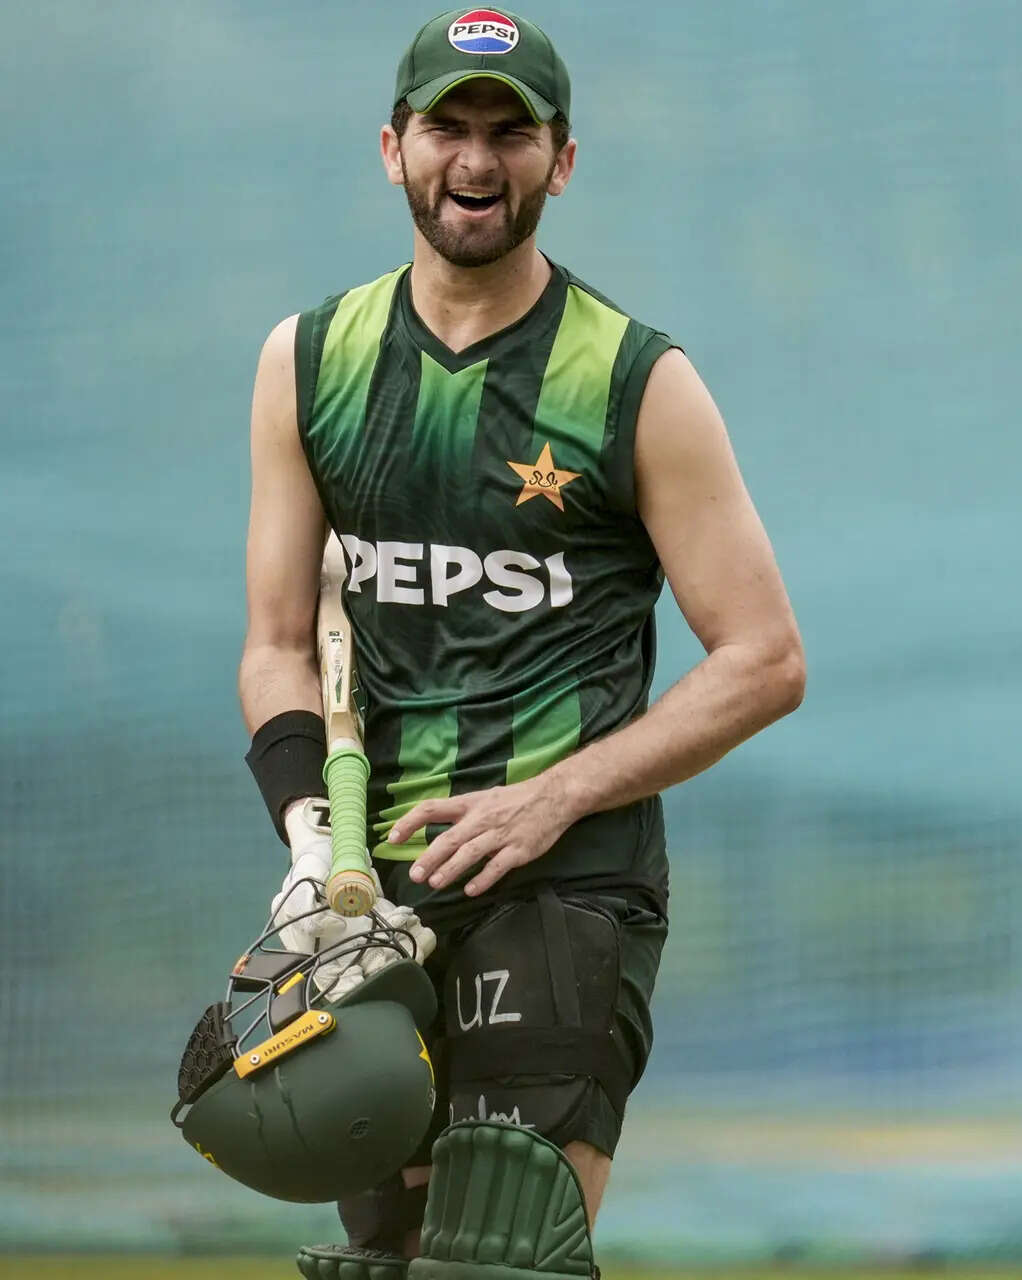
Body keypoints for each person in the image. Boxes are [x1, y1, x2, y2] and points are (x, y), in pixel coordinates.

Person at [236, 8, 805, 1275]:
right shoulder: (310, 360)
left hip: (568, 887)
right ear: (393, 147)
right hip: (375, 893)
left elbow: (765, 657)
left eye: (511, 133)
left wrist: (556, 795)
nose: (476, 162)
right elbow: (278, 640)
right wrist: (307, 840)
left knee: (496, 1258)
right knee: (388, 1257)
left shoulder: (636, 379)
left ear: (563, 158)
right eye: (448, 127)